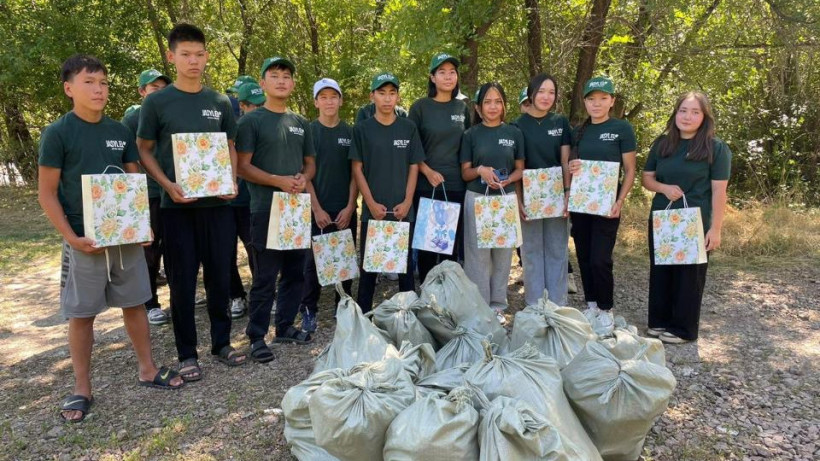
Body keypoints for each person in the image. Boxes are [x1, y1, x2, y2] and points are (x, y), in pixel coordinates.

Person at [38, 54, 185, 422]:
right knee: (82, 314)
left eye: (103, 82)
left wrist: (141, 225)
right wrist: (72, 238)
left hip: (124, 238)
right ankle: (82, 387)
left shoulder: (120, 131)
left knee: (135, 303)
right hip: (85, 241)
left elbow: (133, 182)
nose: (99, 89)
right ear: (69, 88)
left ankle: (147, 369)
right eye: (89, 82)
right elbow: (46, 193)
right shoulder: (58, 133)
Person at [137, 23, 247, 382]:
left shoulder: (219, 102)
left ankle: (221, 343)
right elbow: (144, 149)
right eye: (185, 54)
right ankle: (187, 353)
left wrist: (232, 180)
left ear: (207, 57)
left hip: (218, 206)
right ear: (172, 57)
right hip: (177, 208)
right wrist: (167, 183)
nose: (193, 61)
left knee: (220, 274)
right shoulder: (156, 102)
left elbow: (230, 145)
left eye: (199, 54)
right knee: (182, 282)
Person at [236, 56, 316, 363]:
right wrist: (277, 181)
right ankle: (256, 336)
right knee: (265, 275)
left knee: (296, 271)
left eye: (286, 76)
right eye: (275, 75)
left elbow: (310, 163)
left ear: (293, 84)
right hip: (265, 209)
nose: (281, 80)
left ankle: (284, 326)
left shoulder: (299, 123)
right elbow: (242, 167)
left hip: (296, 207)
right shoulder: (250, 122)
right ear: (263, 83)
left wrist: (302, 178)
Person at [642, 91, 731, 344]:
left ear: (704, 117)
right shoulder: (662, 144)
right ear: (675, 113)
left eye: (695, 112)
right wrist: (663, 188)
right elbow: (647, 179)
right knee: (661, 271)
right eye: (683, 110)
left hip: (695, 221)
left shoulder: (716, 148)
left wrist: (715, 229)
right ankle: (658, 322)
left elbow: (719, 191)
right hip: (663, 218)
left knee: (689, 276)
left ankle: (683, 329)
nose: (688, 117)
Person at [350, 71, 424, 312]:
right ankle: (363, 319)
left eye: (392, 93)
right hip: (374, 212)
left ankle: (408, 320)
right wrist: (369, 203)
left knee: (404, 271)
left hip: (403, 210)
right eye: (381, 93)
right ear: (372, 96)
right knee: (369, 269)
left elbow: (414, 166)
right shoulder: (362, 129)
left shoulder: (408, 128)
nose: (387, 98)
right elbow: (357, 168)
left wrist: (407, 201)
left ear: (398, 97)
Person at [568, 76, 637, 329]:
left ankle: (606, 309)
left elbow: (630, 171)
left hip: (608, 205)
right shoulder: (577, 132)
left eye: (603, 99)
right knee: (584, 255)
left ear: (612, 101)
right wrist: (571, 166)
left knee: (601, 258)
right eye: (591, 99)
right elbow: (572, 166)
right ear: (584, 102)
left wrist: (620, 200)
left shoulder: (622, 129)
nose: (596, 104)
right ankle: (592, 305)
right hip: (581, 204)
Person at [460, 82, 525, 324]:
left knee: (502, 254)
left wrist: (508, 179)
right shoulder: (470, 135)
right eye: (487, 102)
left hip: (504, 200)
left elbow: (520, 169)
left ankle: (498, 306)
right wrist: (480, 170)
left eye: (498, 101)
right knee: (477, 255)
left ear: (504, 106)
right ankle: (479, 306)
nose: (493, 106)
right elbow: (465, 173)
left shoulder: (514, 133)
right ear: (478, 108)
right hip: (477, 198)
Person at [297, 78, 358, 332]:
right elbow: (304, 172)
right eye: (323, 97)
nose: (329, 101)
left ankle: (342, 306)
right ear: (315, 102)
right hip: (317, 208)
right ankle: (308, 310)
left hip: (344, 208)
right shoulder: (308, 131)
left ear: (341, 100)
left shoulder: (350, 132)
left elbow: (356, 172)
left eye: (334, 96)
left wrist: (350, 206)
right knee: (312, 263)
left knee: (344, 260)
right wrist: (316, 208)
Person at [407, 53, 471, 282]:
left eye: (452, 72)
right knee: (427, 247)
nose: (448, 76)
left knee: (450, 247)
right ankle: (427, 296)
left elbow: (468, 146)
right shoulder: (420, 107)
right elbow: (411, 148)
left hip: (456, 185)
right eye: (441, 72)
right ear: (432, 77)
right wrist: (427, 171)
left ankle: (448, 298)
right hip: (427, 186)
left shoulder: (462, 108)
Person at [513, 73, 572, 306]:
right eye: (541, 92)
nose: (546, 97)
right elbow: (516, 165)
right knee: (531, 251)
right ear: (531, 93)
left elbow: (565, 160)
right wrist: (518, 199)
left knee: (558, 248)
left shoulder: (561, 122)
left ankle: (557, 305)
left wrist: (568, 192)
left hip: (557, 194)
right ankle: (535, 305)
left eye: (551, 92)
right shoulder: (517, 125)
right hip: (529, 196)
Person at [121, 69, 172, 325]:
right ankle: (151, 303)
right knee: (150, 251)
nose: (159, 93)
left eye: (164, 88)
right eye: (154, 88)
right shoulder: (133, 120)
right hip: (147, 194)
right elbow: (126, 158)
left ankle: (179, 297)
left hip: (174, 193)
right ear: (142, 92)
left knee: (175, 248)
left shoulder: (173, 116)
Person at [227, 81, 266, 319]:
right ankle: (236, 296)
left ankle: (261, 294)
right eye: (252, 105)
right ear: (241, 105)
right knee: (226, 254)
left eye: (260, 104)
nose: (257, 109)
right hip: (226, 202)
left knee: (256, 251)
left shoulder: (265, 126)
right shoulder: (230, 129)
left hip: (251, 203)